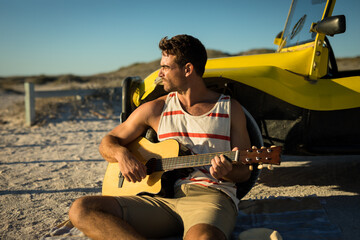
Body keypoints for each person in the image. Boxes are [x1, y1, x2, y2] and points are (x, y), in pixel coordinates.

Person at [69, 34, 251, 240]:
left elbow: (244, 172)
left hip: (210, 198)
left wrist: (226, 172)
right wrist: (122, 155)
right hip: (159, 199)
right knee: (82, 209)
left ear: (188, 69)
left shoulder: (229, 108)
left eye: (165, 67)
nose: (160, 73)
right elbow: (108, 141)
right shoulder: (156, 108)